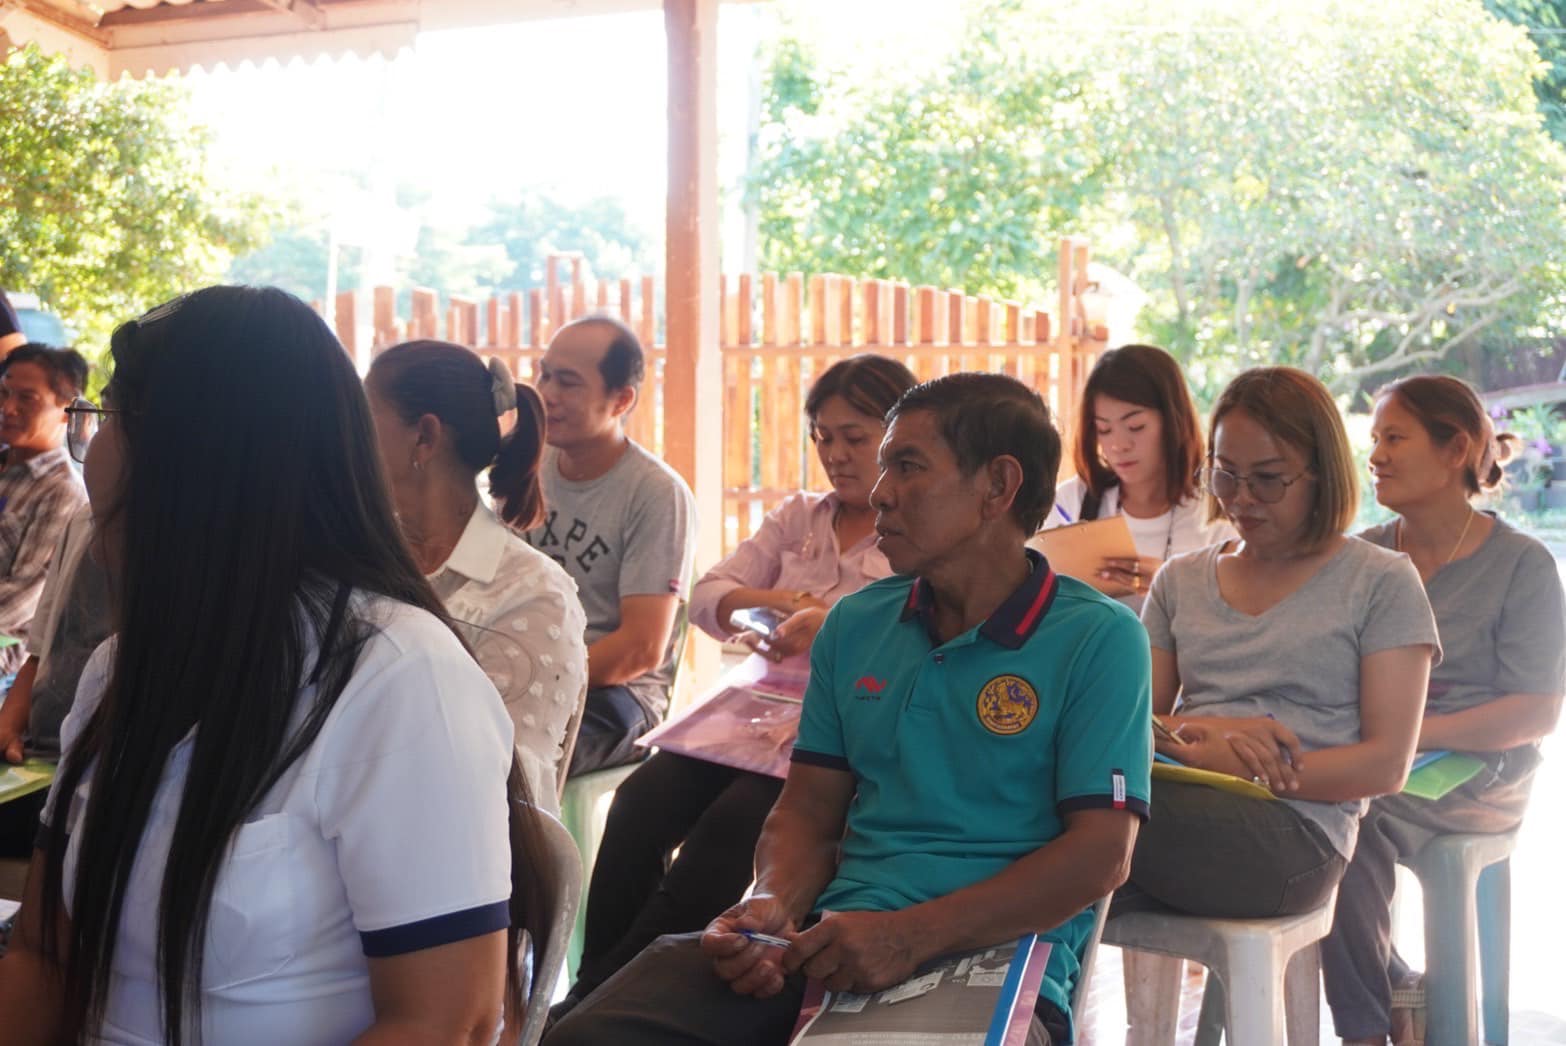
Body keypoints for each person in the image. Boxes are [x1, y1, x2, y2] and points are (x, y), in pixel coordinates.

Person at [0, 287, 546, 1045]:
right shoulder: (120, 671)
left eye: (107, 420)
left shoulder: (399, 679)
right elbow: (42, 957)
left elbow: (444, 1023)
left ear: (200, 460)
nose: (93, 460)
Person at [546, 373, 1154, 1046]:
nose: (880, 490)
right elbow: (806, 812)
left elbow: (1101, 856)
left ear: (998, 487)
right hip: (830, 946)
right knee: (587, 1034)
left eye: (908, 466)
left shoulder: (1100, 638)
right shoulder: (857, 625)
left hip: (995, 964)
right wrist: (768, 905)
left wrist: (908, 936)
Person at [559, 354, 917, 1014]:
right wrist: (778, 603)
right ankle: (592, 991)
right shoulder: (801, 517)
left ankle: (609, 999)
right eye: (823, 438)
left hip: (837, 734)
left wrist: (829, 622)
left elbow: (921, 630)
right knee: (639, 805)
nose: (835, 455)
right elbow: (707, 597)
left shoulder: (915, 530)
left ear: (900, 441)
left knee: (727, 836)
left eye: (855, 438)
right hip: (751, 720)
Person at [1128, 366, 1440, 921]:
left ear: (1320, 474)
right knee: (1063, 825)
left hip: (1298, 834)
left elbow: (1387, 765)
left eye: (1268, 479)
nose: (1242, 499)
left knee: (1079, 815)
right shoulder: (1180, 580)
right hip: (1175, 805)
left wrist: (1242, 768)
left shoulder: (1381, 580)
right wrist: (1222, 737)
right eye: (1225, 475)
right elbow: (1134, 723)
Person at [1319, 375, 1566, 1046]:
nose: (1375, 456)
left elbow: (1535, 712)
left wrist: (1407, 734)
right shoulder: (1363, 556)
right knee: (1312, 807)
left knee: (1344, 805)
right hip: (1383, 761)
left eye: (1394, 438)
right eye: (1373, 440)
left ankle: (1367, 1031)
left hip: (1483, 773)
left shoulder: (1522, 565)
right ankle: (1395, 988)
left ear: (1456, 448)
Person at [366, 339, 588, 812]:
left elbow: (506, 791)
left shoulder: (531, 594)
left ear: (424, 437)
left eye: (364, 419)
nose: (347, 440)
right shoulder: (360, 560)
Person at [525, 315, 697, 775]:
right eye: (544, 374)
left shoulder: (656, 493)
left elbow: (640, 649)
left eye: (568, 383)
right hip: (527, 674)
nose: (547, 394)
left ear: (621, 400)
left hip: (620, 696)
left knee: (513, 760)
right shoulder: (527, 468)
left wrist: (534, 679)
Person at [1038, 343, 1234, 610]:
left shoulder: (1216, 511)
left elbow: (1238, 612)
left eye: (1135, 427)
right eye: (1104, 430)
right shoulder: (1071, 501)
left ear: (1174, 421)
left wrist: (1172, 586)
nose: (1119, 445)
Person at [0, 504, 111, 858]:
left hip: (98, 765)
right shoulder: (82, 518)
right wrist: (10, 721)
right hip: (39, 749)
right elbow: (40, 649)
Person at [0, 344, 90, 676]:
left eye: (27, 398)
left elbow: (21, 601)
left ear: (67, 411)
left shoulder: (62, 492)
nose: (7, 407)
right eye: (4, 392)